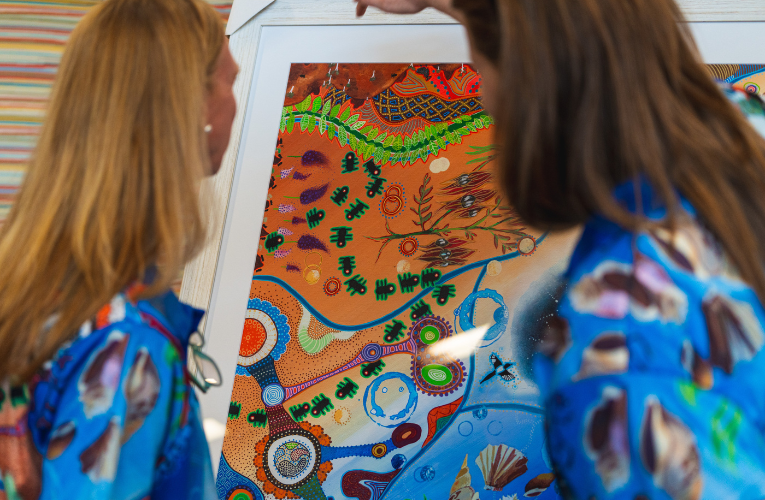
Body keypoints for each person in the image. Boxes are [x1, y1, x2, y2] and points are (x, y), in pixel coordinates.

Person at [357, 0, 765, 498]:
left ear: (531, 87)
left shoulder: (610, 361)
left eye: (479, 70)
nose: (482, 96)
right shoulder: (741, 121)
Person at [0, 0, 238, 497]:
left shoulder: (28, 285)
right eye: (230, 83)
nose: (236, 105)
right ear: (191, 107)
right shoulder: (129, 347)